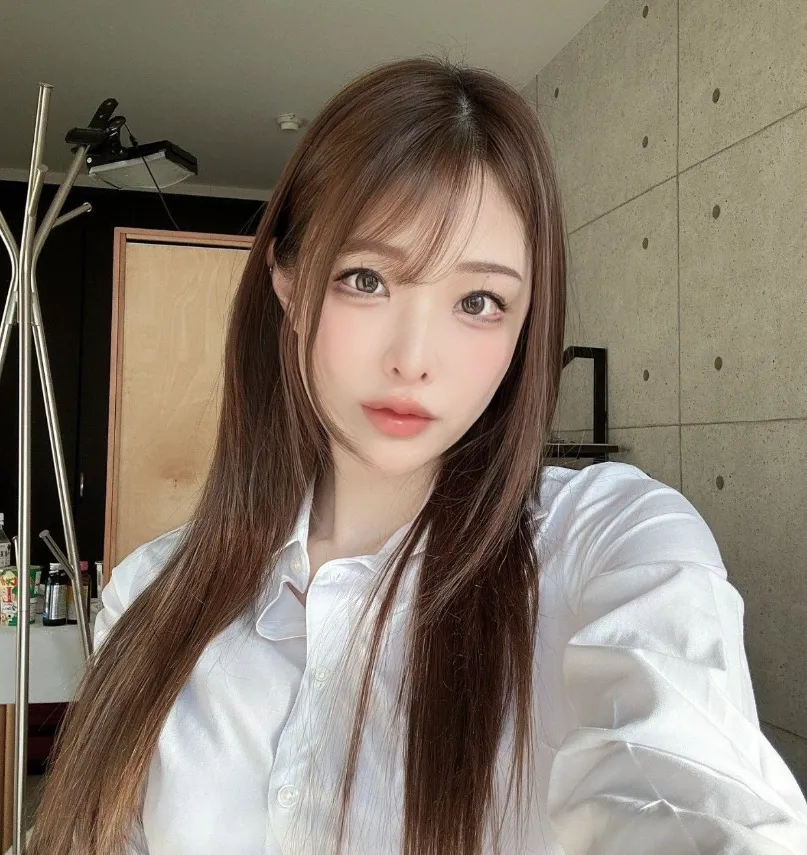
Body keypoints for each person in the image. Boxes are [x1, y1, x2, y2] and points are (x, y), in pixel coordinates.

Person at [28, 57, 807, 855]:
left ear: (525, 321)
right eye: (365, 279)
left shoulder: (608, 541)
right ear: (287, 283)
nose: (413, 358)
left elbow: (687, 797)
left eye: (478, 300)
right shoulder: (150, 593)